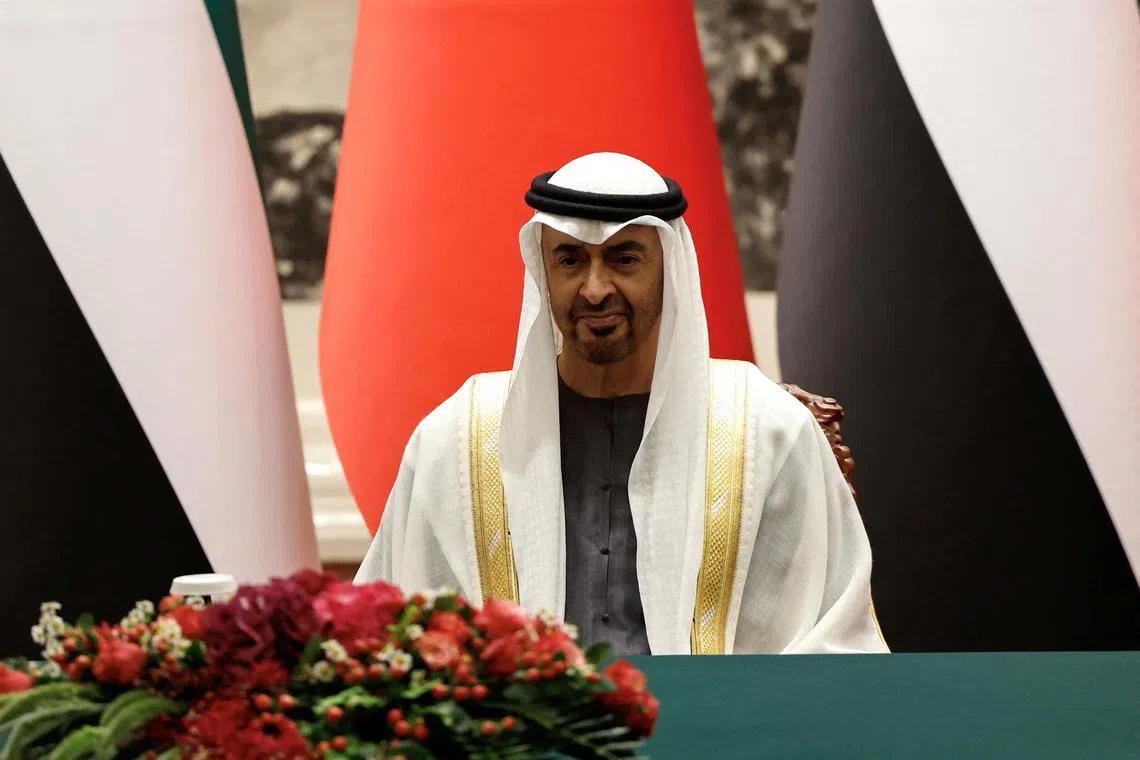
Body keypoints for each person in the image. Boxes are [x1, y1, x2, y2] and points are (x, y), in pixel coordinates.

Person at [356, 152, 887, 655]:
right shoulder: (458, 438)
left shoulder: (766, 432)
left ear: (668, 268)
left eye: (623, 258)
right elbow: (390, 635)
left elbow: (833, 638)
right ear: (544, 271)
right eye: (569, 259)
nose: (594, 288)